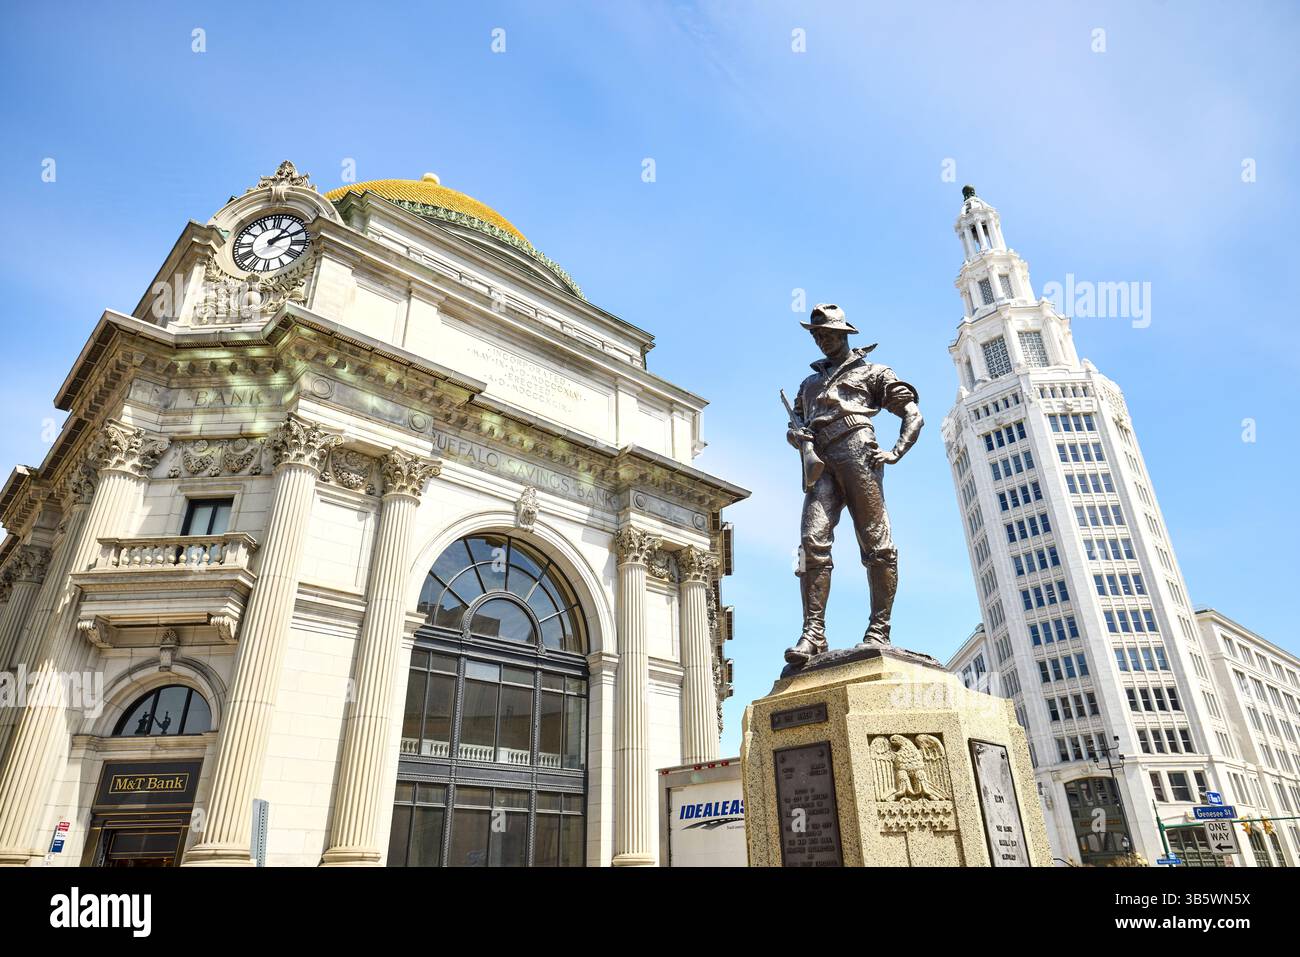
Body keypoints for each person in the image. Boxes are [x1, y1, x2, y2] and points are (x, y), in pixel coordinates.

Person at [785, 304, 924, 666]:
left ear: (845, 333)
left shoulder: (874, 372)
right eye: (816, 335)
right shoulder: (809, 384)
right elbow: (798, 427)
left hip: (858, 451)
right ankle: (813, 634)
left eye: (828, 333)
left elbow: (913, 413)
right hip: (821, 462)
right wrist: (798, 436)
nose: (822, 340)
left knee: (876, 543)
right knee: (812, 541)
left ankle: (879, 629)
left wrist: (896, 450)